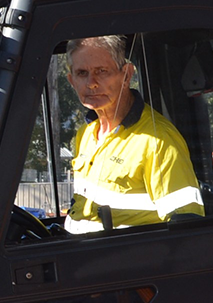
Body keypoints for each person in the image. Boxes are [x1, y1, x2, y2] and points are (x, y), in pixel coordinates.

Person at [64, 35, 203, 232]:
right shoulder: (85, 134)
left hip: (126, 258)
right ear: (71, 81)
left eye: (101, 71)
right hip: (79, 254)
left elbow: (187, 229)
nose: (91, 83)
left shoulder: (157, 140)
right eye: (82, 73)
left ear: (126, 75)